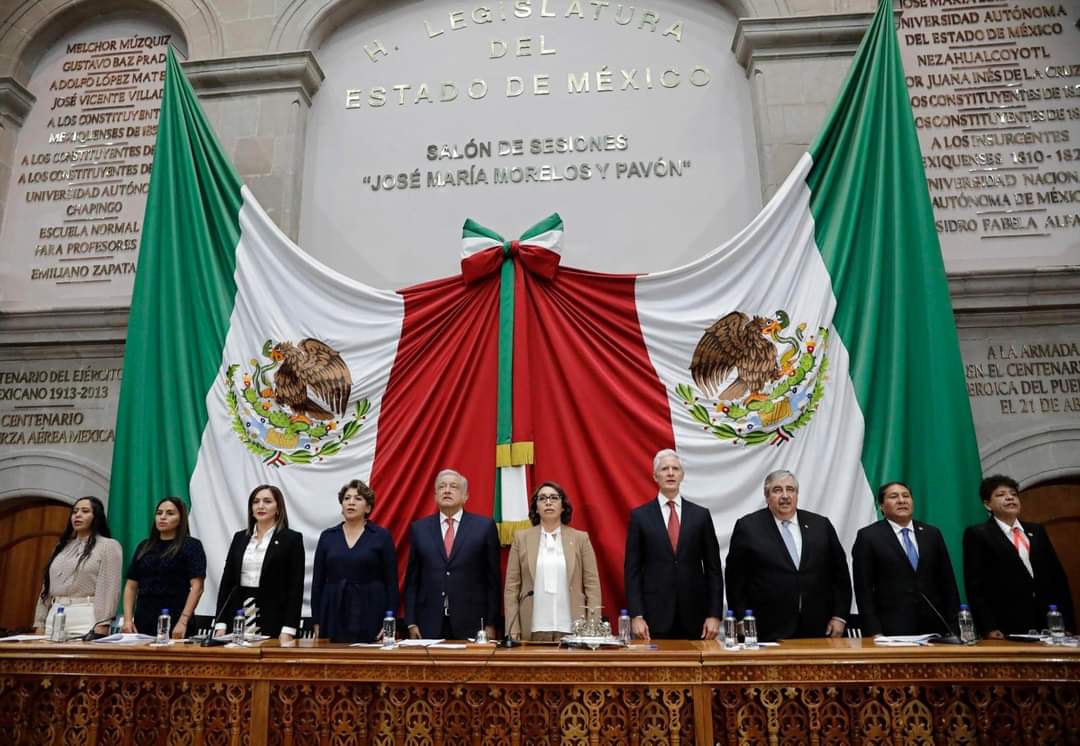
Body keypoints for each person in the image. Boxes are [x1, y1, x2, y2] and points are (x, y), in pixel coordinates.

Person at [726, 470, 851, 641]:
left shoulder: (820, 525)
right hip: (765, 627)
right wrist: (742, 619)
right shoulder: (748, 527)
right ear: (766, 495)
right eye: (777, 490)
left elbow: (840, 575)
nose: (785, 496)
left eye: (790, 490)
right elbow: (735, 579)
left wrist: (839, 616)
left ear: (797, 494)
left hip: (819, 626)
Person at [624, 449, 724, 640]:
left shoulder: (700, 515)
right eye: (664, 469)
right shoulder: (640, 516)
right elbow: (632, 570)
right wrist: (636, 615)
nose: (670, 473)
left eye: (675, 469)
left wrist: (714, 614)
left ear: (682, 475)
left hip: (696, 616)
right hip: (653, 617)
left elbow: (713, 569)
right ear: (655, 476)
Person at [963, 474, 1075, 637]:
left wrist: (1068, 622)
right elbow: (975, 586)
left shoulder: (1036, 531)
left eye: (1013, 494)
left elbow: (1057, 577)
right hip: (1007, 623)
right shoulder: (978, 534)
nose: (1009, 498)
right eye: (1001, 495)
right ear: (988, 505)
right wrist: (989, 627)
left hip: (1049, 622)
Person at [852, 482, 960, 637]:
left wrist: (954, 626)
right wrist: (874, 631)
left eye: (906, 496)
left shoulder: (931, 534)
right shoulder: (869, 536)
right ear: (882, 506)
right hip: (892, 628)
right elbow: (864, 590)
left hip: (936, 626)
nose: (902, 501)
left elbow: (948, 582)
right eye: (894, 497)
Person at [403, 469, 500, 640]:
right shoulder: (419, 529)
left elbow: (493, 579)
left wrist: (491, 623)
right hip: (428, 621)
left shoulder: (484, 527)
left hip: (472, 621)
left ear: (465, 496)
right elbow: (412, 580)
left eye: (453, 486)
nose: (447, 490)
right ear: (435, 495)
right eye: (442, 486)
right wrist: (411, 622)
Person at [504, 481, 602, 641]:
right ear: (536, 507)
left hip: (573, 628)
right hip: (533, 627)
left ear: (563, 506)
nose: (548, 502)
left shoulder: (580, 538)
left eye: (554, 498)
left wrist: (593, 625)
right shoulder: (521, 538)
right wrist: (512, 627)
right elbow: (511, 588)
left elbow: (592, 585)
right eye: (542, 498)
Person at [311, 479, 398, 643]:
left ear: (368, 507)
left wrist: (389, 621)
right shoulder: (328, 536)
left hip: (372, 610)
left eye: (358, 499)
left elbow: (391, 583)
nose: (351, 502)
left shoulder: (381, 536)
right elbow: (318, 583)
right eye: (347, 498)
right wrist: (317, 620)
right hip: (334, 610)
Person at [216, 484, 305, 641]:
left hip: (273, 617)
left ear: (278, 508)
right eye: (256, 502)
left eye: (267, 501)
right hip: (237, 615)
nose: (260, 506)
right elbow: (227, 582)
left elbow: (295, 587)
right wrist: (220, 624)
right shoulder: (240, 538)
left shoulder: (291, 539)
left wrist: (289, 628)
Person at [34, 496, 123, 639]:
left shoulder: (108, 546)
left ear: (96, 516)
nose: (78, 515)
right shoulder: (61, 546)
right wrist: (39, 622)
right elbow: (46, 587)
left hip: (85, 616)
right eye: (75, 511)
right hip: (55, 614)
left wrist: (102, 624)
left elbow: (109, 588)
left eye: (85, 511)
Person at [122, 497, 207, 638]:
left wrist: (183, 621)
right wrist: (127, 620)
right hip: (142, 621)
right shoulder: (144, 546)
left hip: (176, 620)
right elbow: (131, 586)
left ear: (181, 518)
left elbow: (197, 587)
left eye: (170, 513)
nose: (162, 517)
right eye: (159, 513)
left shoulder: (191, 545)